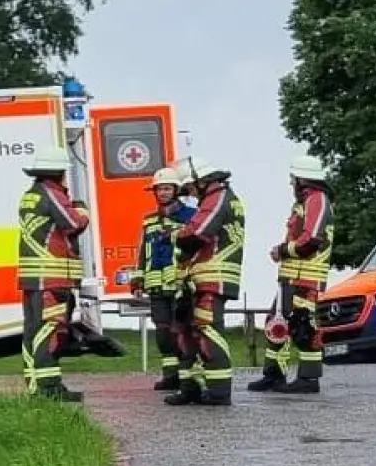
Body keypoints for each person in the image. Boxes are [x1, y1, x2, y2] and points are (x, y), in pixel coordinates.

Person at [250, 155, 335, 393]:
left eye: (293, 179)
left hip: (306, 277)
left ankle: (309, 379)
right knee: (275, 324)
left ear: (302, 180)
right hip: (291, 276)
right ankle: (274, 375)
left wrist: (282, 250)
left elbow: (312, 239)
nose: (291, 184)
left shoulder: (317, 199)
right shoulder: (306, 202)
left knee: (303, 326)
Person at [166, 156, 245, 406]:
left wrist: (175, 235)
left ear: (200, 181)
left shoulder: (218, 197)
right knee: (187, 331)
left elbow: (198, 232)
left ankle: (219, 391)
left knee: (208, 330)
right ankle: (191, 387)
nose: (190, 194)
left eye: (190, 188)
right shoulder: (217, 198)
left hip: (213, 276)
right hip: (201, 276)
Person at [16, 145, 91, 401]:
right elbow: (73, 224)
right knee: (50, 331)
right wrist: (82, 211)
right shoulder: (52, 193)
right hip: (52, 276)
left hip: (33, 278)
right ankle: (49, 388)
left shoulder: (31, 195)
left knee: (33, 332)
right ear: (60, 172)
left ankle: (36, 387)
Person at [129, 167, 195, 391]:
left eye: (167, 188)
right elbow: (143, 251)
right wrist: (137, 279)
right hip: (156, 285)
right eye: (159, 189)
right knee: (163, 334)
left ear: (176, 190)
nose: (163, 193)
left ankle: (187, 376)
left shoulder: (191, 216)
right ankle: (170, 376)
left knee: (181, 331)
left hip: (180, 284)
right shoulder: (149, 220)